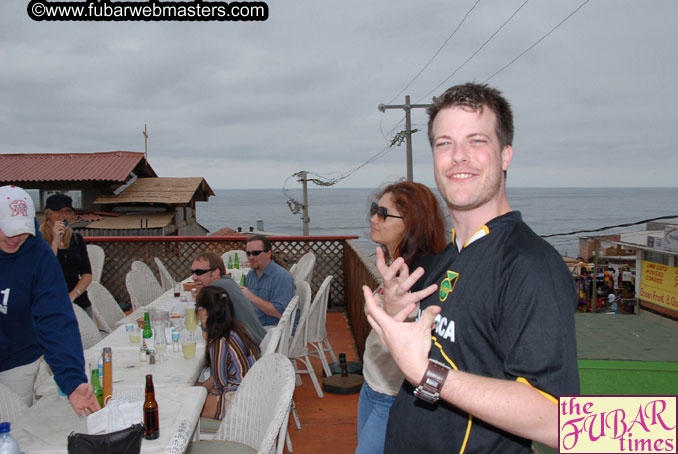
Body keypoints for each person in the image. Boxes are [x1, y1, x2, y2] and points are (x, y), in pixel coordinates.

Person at [363, 83, 580, 453]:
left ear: (505, 155)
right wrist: (400, 317)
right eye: (444, 143)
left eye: (476, 140)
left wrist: (428, 376)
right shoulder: (448, 257)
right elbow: (445, 352)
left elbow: (562, 423)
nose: (458, 156)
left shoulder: (529, 264)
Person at [356, 181, 447, 454]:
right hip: (372, 385)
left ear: (412, 223)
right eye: (375, 209)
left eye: (383, 213)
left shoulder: (423, 274)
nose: (374, 218)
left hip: (395, 396)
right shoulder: (398, 266)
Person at [0, 185, 100, 415]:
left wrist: (73, 382)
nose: (16, 238)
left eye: (22, 230)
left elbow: (56, 320)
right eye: (8, 229)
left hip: (17, 358)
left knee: (12, 425)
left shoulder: (38, 254)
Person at [195, 285, 260, 419]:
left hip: (239, 402)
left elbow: (220, 384)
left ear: (206, 313)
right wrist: (203, 386)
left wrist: (203, 389)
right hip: (255, 393)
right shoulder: (239, 328)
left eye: (198, 307)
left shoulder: (220, 341)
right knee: (196, 394)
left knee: (191, 406)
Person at [190, 251, 266, 344]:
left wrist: (201, 300)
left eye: (199, 272)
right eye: (193, 272)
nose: (194, 277)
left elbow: (207, 334)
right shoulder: (227, 282)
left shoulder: (216, 289)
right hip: (260, 342)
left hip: (248, 349)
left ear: (215, 272)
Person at [39, 193, 93, 315]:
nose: (63, 215)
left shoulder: (76, 239)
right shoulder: (38, 240)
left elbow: (87, 274)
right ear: (48, 213)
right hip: (51, 300)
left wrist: (73, 295)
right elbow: (45, 270)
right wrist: (55, 241)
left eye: (67, 211)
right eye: (58, 211)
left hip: (78, 299)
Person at [241, 234, 295, 326]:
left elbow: (281, 313)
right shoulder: (251, 274)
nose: (251, 257)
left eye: (255, 253)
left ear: (268, 254)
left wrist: (252, 297)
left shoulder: (281, 277)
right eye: (248, 253)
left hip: (275, 329)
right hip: (258, 325)